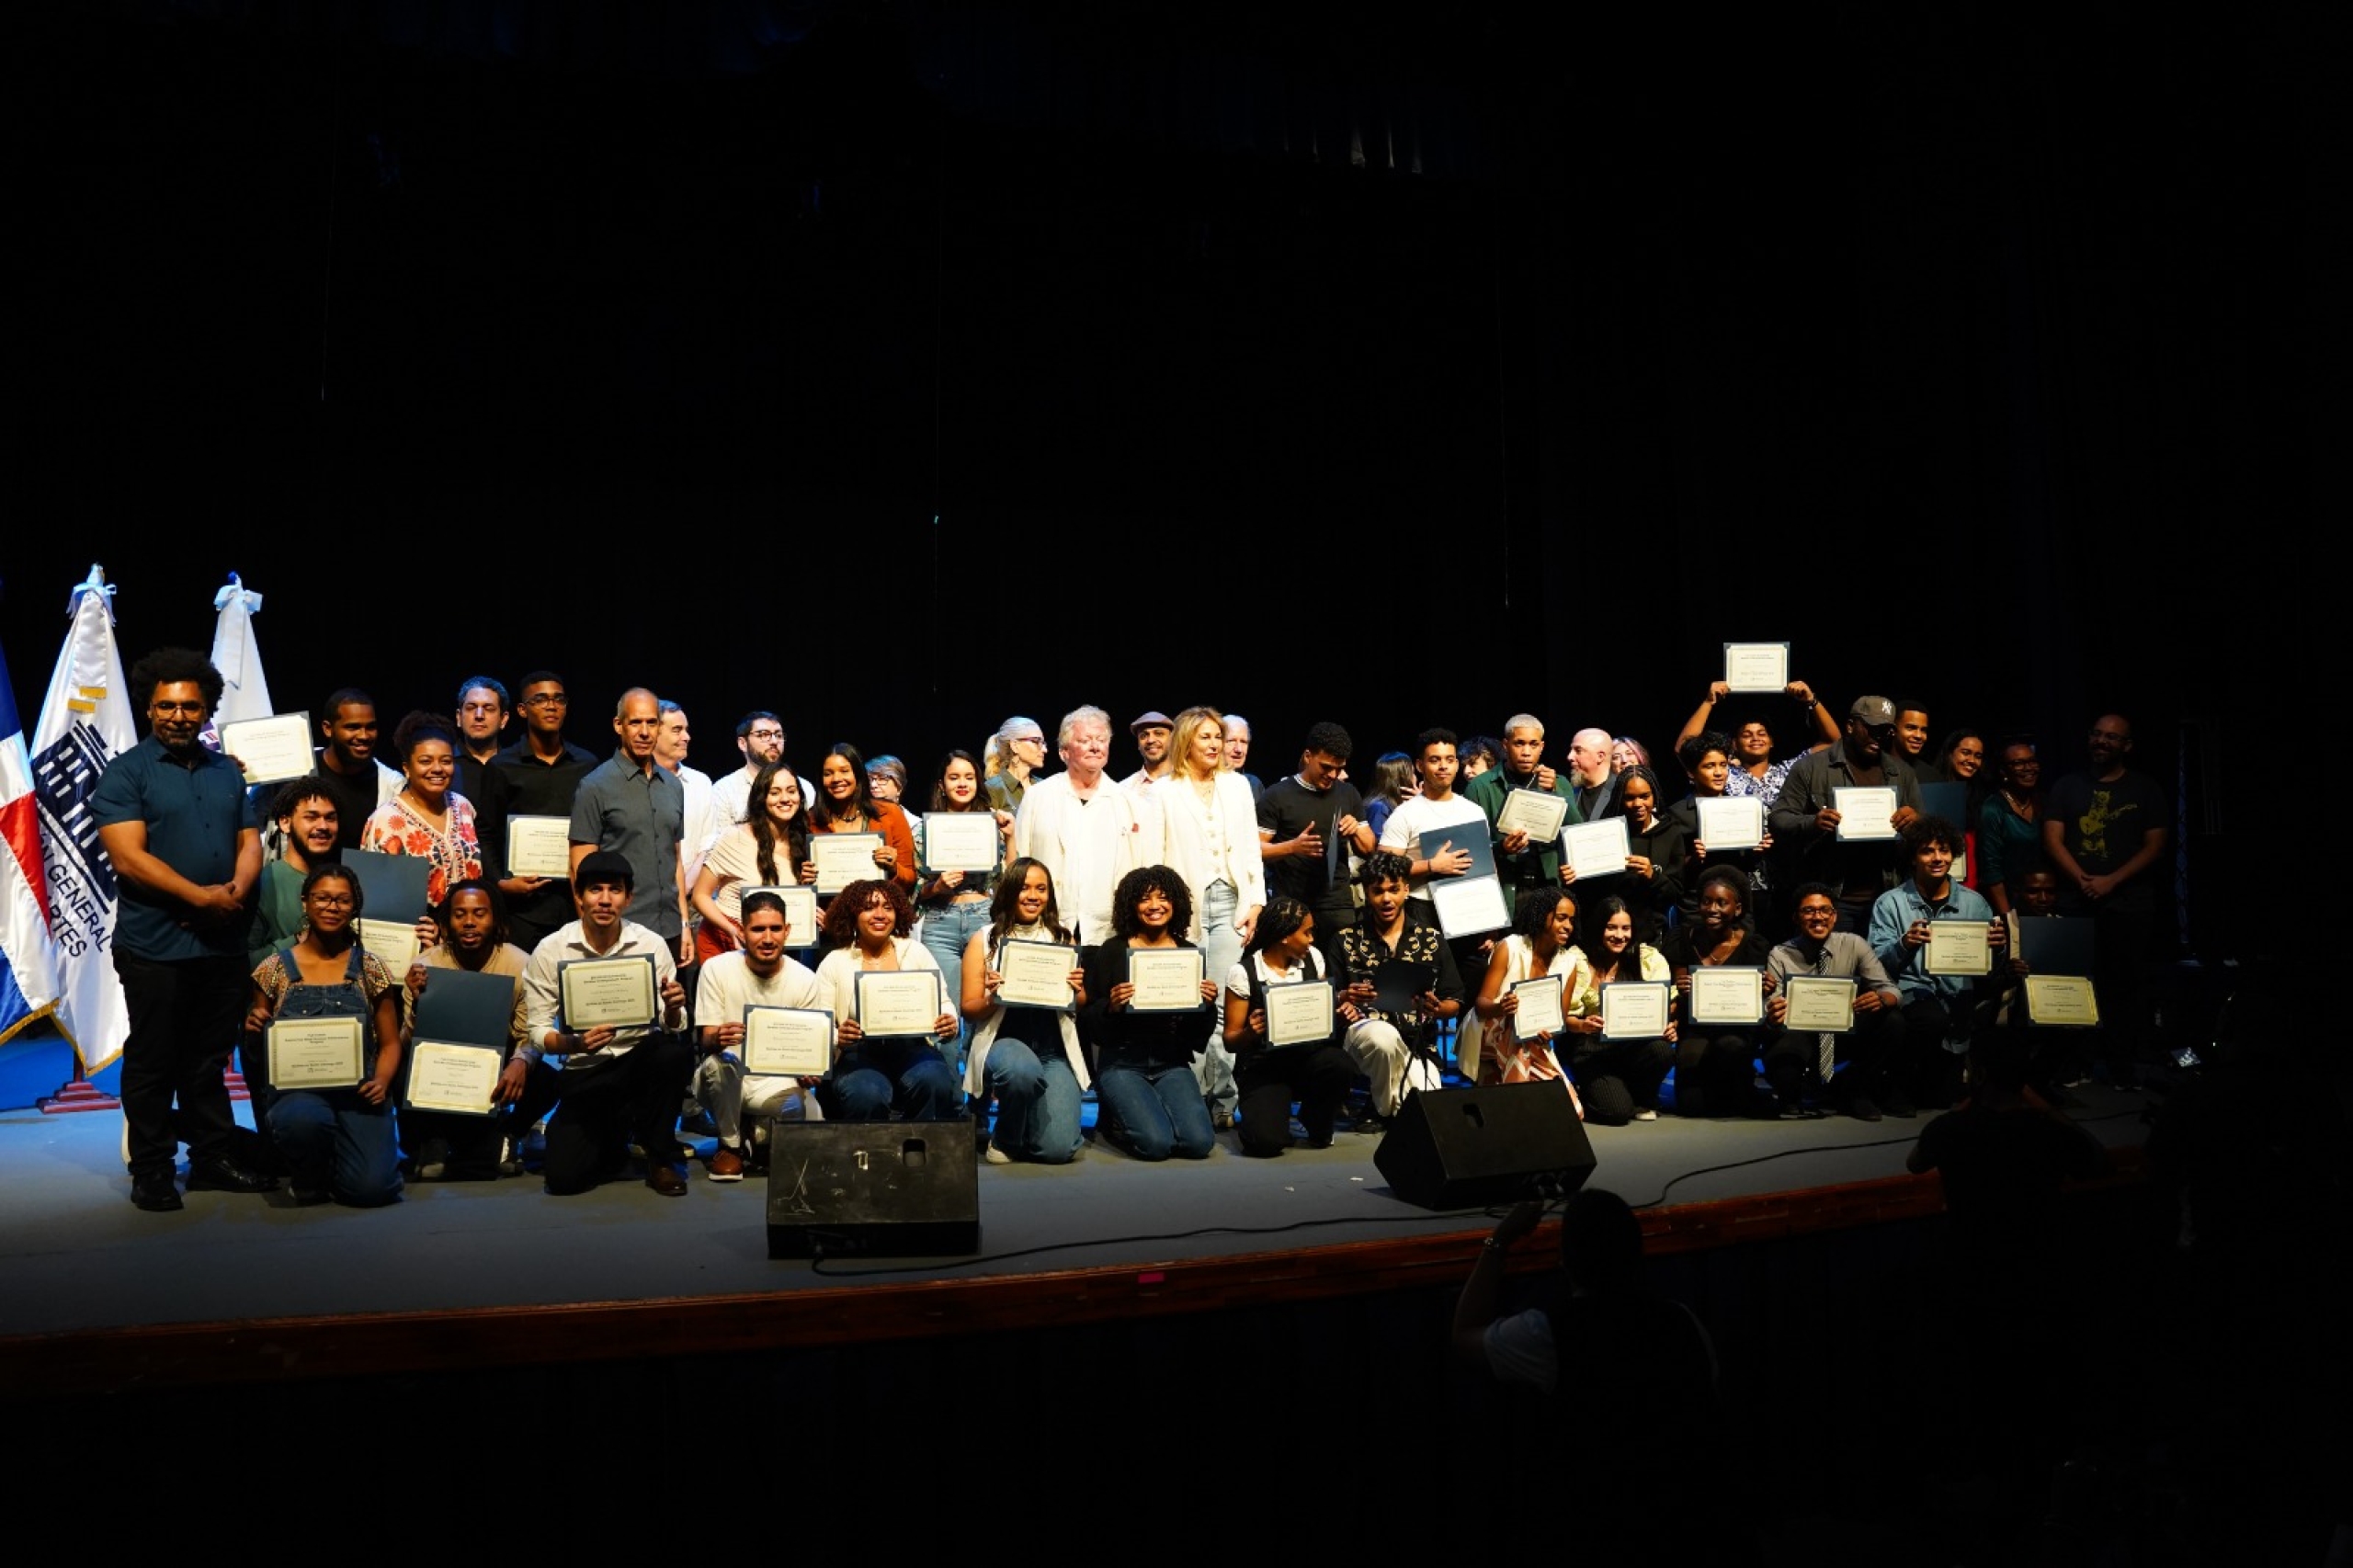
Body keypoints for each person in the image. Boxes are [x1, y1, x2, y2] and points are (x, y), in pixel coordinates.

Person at [1452, 1191, 1739, 1555]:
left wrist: (1498, 1242)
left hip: (1587, 1529)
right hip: (1685, 1530)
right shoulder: (1685, 1323)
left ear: (1564, 1260)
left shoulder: (1547, 1335)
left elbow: (1464, 1336)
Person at [93, 648, 278, 1210]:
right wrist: (202, 898)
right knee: (153, 1061)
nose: (178, 716)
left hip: (221, 944)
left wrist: (235, 893)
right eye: (167, 706)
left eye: (190, 707)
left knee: (207, 1062)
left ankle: (211, 1159)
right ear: (150, 709)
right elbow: (128, 859)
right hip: (155, 946)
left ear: (206, 711)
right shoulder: (125, 773)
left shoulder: (227, 772)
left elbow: (250, 842)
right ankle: (151, 1168)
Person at [519, 851, 694, 1196]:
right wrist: (574, 1043)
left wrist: (674, 1008)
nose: (604, 899)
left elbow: (671, 1024)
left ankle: (660, 1157)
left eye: (614, 890)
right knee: (565, 1180)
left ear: (628, 898)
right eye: (595, 889)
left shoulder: (650, 944)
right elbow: (537, 1031)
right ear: (579, 896)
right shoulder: (552, 949)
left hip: (638, 1063)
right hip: (586, 1069)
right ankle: (617, 1132)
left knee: (672, 1053)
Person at [244, 863, 404, 1207]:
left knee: (372, 1190)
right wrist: (254, 1029)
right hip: (298, 1094)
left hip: (360, 1093)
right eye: (322, 898)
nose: (332, 907)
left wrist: (382, 1080)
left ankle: (341, 1163)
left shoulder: (371, 968)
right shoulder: (272, 969)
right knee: (302, 1121)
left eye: (342, 900)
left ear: (354, 907)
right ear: (305, 902)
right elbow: (260, 1055)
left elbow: (391, 1043)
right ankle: (309, 1173)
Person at [2040, 713, 2170, 1090]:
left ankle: (2120, 1065)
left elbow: (2156, 845)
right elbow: (2052, 839)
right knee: (2073, 985)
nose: (2101, 741)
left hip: (2130, 904)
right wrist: (2082, 879)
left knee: (2124, 987)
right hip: (2075, 901)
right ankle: (2073, 1063)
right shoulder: (2067, 786)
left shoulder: (2145, 789)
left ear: (2126, 745)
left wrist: (2111, 881)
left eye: (2111, 737)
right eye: (2096, 734)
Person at [1154, 706, 1266, 1133]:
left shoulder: (1237, 786)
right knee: (1188, 1003)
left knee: (1223, 1006)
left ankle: (1223, 1099)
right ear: (1186, 741)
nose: (1216, 744)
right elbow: (1157, 853)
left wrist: (1256, 903)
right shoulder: (1164, 791)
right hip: (1186, 907)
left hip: (1231, 902)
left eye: (1218, 736)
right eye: (1206, 736)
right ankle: (1190, 1099)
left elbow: (1251, 850)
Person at [1077, 865, 1222, 1161]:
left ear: (1176, 903)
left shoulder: (1188, 952)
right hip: (1122, 1064)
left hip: (1172, 1063)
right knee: (1156, 1146)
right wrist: (1111, 1006)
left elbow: (1197, 1033)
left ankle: (1150, 1111)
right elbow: (1090, 1022)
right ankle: (1115, 1119)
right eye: (1144, 899)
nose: (1155, 906)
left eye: (1163, 897)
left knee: (1198, 1144)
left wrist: (1207, 1005)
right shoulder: (1112, 950)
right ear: (1131, 905)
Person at [400, 878, 537, 1182]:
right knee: (397, 1067)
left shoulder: (520, 964)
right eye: (459, 914)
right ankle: (432, 1139)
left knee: (547, 1077)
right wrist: (419, 1006)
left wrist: (520, 1062)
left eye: (479, 913)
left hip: (496, 1070)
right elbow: (407, 1045)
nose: (470, 922)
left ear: (495, 920)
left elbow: (529, 1034)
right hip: (442, 1072)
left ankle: (506, 1134)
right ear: (446, 923)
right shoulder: (424, 966)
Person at [1868, 816, 2007, 1109]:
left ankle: (1922, 1081)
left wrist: (1997, 950)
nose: (1937, 858)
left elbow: (1990, 971)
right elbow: (1876, 963)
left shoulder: (1974, 903)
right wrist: (1904, 944)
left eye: (1944, 850)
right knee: (1931, 1019)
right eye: (1927, 851)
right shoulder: (1890, 903)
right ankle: (1895, 1081)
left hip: (1958, 997)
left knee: (1941, 1100)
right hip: (1910, 993)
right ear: (1913, 857)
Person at [690, 890, 825, 1179]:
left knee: (805, 1113)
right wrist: (718, 1037)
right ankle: (730, 1146)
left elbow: (809, 1049)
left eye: (775, 929)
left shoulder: (805, 979)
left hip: (776, 1083)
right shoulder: (716, 969)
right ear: (742, 931)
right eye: (758, 929)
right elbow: (706, 1039)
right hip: (726, 1080)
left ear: (787, 931)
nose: (767, 938)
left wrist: (808, 1071)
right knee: (719, 1064)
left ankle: (755, 1132)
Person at [961, 858, 1088, 1165]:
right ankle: (1006, 1136)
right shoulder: (984, 939)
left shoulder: (1062, 937)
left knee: (1057, 1150)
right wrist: (994, 998)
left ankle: (1029, 1120)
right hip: (1003, 1044)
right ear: (1010, 891)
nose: (1033, 896)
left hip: (1052, 1050)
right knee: (1021, 1071)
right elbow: (969, 1009)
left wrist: (1077, 990)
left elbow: (1080, 1002)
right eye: (1024, 888)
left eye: (1041, 889)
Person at [1767, 695, 1925, 931]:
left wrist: (1915, 822)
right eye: (1872, 729)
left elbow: (1924, 833)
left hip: (1885, 896)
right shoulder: (1811, 767)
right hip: (1830, 898)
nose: (1879, 737)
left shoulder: (1902, 773)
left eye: (1886, 731)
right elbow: (1778, 819)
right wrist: (1813, 822)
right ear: (1851, 726)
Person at [810, 879, 961, 1120]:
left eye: (888, 908)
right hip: (859, 1052)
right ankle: (868, 1145)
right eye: (869, 908)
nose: (880, 915)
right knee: (866, 1093)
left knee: (934, 1079)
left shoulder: (915, 951)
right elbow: (820, 1021)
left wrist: (949, 1021)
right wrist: (839, 1035)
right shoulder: (835, 961)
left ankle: (919, 1141)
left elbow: (943, 1002)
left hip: (912, 1047)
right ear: (853, 914)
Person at [1334, 851, 1463, 1132]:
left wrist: (1437, 1008)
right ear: (1366, 893)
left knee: (1428, 1110)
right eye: (1377, 891)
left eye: (1393, 889)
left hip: (1415, 1043)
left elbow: (1454, 1000)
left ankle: (1385, 1104)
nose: (1386, 899)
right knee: (1382, 1037)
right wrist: (1344, 998)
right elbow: (1329, 998)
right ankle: (1381, 1108)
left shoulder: (1431, 939)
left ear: (1406, 889)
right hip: (1364, 1037)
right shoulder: (1345, 940)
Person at [477, 670, 599, 953]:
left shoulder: (587, 765)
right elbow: (485, 831)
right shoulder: (502, 766)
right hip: (521, 909)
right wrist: (501, 883)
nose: (551, 706)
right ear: (522, 710)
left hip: (574, 903)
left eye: (559, 699)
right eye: (540, 699)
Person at [568, 687, 691, 968]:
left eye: (651, 723)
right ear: (618, 725)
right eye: (635, 723)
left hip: (670, 929)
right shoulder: (594, 786)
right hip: (619, 932)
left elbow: (675, 861)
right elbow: (579, 869)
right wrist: (592, 938)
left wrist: (684, 923)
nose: (644, 732)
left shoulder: (672, 785)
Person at [1223, 897, 1356, 1155]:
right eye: (1307, 933)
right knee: (1265, 1143)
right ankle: (1267, 1114)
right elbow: (1230, 1040)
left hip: (1307, 1059)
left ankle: (1314, 1119)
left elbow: (1321, 1014)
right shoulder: (1244, 972)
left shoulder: (1313, 959)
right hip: (1265, 1067)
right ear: (1284, 936)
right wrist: (1250, 1033)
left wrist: (1338, 1014)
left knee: (1339, 1064)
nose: (1311, 940)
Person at [1766, 882, 1907, 1121]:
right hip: (1801, 1034)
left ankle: (1856, 1089)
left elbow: (1891, 989)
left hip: (1843, 1033)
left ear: (1834, 916)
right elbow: (1771, 1006)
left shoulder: (1854, 944)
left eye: (1825, 910)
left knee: (1893, 1021)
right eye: (1809, 911)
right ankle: (1800, 1090)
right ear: (1796, 918)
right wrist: (1773, 1012)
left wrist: (1882, 999)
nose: (1818, 917)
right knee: (1785, 1073)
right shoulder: (1780, 954)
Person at [1014, 706, 1156, 942]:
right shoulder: (1038, 797)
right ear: (1064, 752)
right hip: (1047, 926)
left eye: (1101, 740)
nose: (1095, 746)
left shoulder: (1130, 803)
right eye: (1085, 740)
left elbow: (1143, 869)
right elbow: (1021, 859)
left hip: (1109, 931)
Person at [915, 748, 1014, 1085]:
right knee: (944, 1014)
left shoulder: (992, 825)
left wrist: (1010, 836)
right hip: (940, 921)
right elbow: (913, 891)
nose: (962, 783)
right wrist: (937, 886)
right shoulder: (924, 830)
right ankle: (952, 1102)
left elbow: (1010, 880)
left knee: (981, 1013)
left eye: (969, 777)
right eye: (954, 777)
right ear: (941, 784)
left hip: (982, 918)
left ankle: (980, 1102)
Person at [1659, 867, 1783, 1119]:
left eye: (1721, 903)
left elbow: (1755, 996)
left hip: (1735, 1029)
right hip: (1695, 1027)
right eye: (1706, 901)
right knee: (1692, 1106)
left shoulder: (1753, 945)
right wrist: (1682, 988)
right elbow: (1677, 987)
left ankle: (1742, 1088)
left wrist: (1763, 989)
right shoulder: (1682, 938)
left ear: (1737, 909)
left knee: (1731, 1048)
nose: (1712, 909)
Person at [1256, 722, 1375, 974]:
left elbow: (1368, 848)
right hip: (1292, 904)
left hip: (1337, 903)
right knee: (1295, 975)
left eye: (1339, 768)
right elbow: (1255, 851)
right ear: (1308, 756)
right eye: (1326, 767)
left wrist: (1356, 829)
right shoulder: (1277, 795)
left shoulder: (1348, 794)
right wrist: (1292, 847)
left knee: (1346, 973)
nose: (1332, 775)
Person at [1472, 888, 1588, 1114]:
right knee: (1514, 1030)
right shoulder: (1510, 947)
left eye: (1572, 920)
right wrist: (1500, 1007)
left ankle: (1514, 1100)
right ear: (1542, 915)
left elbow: (1559, 1021)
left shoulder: (1569, 963)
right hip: (1491, 1031)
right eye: (1561, 918)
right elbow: (1481, 1005)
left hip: (1532, 1042)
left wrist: (1549, 1033)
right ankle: (1516, 1107)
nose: (1568, 926)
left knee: (1573, 1111)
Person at [1561, 895, 1674, 1124]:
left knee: (1661, 1050)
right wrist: (1582, 1025)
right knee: (1617, 1113)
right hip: (1593, 1050)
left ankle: (1642, 1098)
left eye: (1625, 928)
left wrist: (1671, 1024)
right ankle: (1587, 1093)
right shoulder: (1578, 960)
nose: (1619, 935)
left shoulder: (1646, 959)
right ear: (1598, 928)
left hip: (1634, 1047)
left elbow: (1667, 1002)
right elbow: (1563, 1017)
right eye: (1611, 928)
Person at [360, 712, 483, 910]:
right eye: (426, 761)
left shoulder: (464, 807)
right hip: (416, 928)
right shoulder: (385, 820)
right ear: (407, 768)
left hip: (468, 925)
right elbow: (377, 896)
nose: (437, 769)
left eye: (446, 761)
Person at [692, 761, 810, 960]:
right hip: (727, 942)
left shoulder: (803, 841)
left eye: (791, 791)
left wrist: (811, 910)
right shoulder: (734, 837)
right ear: (761, 798)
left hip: (776, 946)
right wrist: (732, 930)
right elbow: (700, 896)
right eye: (775, 793)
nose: (785, 799)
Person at [1665, 730, 1774, 927]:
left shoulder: (1741, 808)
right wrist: (1693, 859)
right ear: (1691, 773)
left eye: (1723, 765)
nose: (1719, 773)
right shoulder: (1678, 814)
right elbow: (1671, 871)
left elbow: (1746, 863)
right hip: (1697, 907)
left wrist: (1758, 851)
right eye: (1709, 766)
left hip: (1738, 905)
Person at [1464, 714, 1573, 909]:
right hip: (1504, 891)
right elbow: (1470, 849)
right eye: (1519, 744)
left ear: (1542, 747)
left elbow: (1575, 833)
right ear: (1505, 745)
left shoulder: (1559, 783)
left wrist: (1555, 792)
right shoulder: (1480, 787)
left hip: (1547, 888)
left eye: (1533, 744)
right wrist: (1501, 848)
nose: (1526, 752)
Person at [1673, 677, 1840, 804]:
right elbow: (1685, 748)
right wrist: (1708, 702)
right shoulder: (1725, 773)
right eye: (1747, 735)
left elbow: (1833, 742)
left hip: (1783, 840)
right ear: (1734, 744)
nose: (1755, 739)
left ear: (1771, 742)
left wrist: (1812, 701)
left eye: (1762, 734)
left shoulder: (1788, 771)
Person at [805, 743, 919, 908]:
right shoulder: (811, 820)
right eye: (828, 773)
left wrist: (894, 868)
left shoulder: (890, 814)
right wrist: (806, 879)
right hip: (832, 917)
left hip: (879, 915)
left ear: (858, 774)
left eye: (844, 771)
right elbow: (803, 883)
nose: (836, 779)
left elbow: (910, 879)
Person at [1593, 763, 1688, 946]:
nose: (1637, 804)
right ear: (1620, 799)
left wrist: (1653, 876)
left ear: (1655, 796)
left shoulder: (1670, 833)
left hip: (1651, 936)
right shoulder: (1606, 833)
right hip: (1609, 933)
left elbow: (1675, 893)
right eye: (1629, 798)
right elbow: (1595, 891)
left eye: (1644, 796)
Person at [309, 687, 402, 854]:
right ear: (328, 729)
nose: (364, 736)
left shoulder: (394, 787)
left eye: (370, 727)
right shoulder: (300, 769)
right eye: (352, 727)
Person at [658, 701, 720, 910]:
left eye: (686, 729)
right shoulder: (636, 783)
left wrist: (684, 887)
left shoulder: (700, 782)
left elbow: (709, 842)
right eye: (677, 730)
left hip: (695, 899)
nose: (686, 737)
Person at [1977, 740, 2045, 917]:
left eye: (2032, 761)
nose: (2028, 768)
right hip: (2008, 902)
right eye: (2019, 763)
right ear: (2003, 771)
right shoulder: (1993, 809)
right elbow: (1991, 869)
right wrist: (2008, 917)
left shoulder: (2043, 802)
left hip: (2041, 901)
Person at [709, 710, 786, 843]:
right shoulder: (724, 790)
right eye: (763, 735)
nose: (774, 741)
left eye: (778, 735)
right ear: (743, 743)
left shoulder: (802, 787)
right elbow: (719, 844)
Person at [452, 676, 510, 806]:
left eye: (489, 709)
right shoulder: (443, 766)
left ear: (503, 719)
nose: (479, 715)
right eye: (471, 708)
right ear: (459, 717)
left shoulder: (514, 766)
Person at [982, 715, 1046, 814]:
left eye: (1043, 743)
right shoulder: (993, 789)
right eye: (1036, 742)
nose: (1044, 750)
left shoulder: (1043, 786)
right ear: (1015, 746)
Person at [1562, 728, 1619, 824]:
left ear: (1600, 757)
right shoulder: (1570, 793)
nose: (1570, 757)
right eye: (1571, 750)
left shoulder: (1619, 792)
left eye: (1578, 751)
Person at [1360, 750, 1418, 841]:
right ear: (1402, 778)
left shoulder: (1406, 804)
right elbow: (1379, 844)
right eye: (1412, 773)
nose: (1415, 778)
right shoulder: (1379, 807)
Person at [1121, 710, 1175, 791]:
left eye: (1159, 734)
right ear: (1138, 744)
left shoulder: (1188, 781)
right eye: (1144, 736)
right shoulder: (1125, 789)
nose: (1150, 740)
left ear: (1173, 740)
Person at [1222, 713, 1264, 801]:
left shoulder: (1254, 784)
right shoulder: (1205, 783)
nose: (1239, 749)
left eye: (1244, 742)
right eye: (1231, 741)